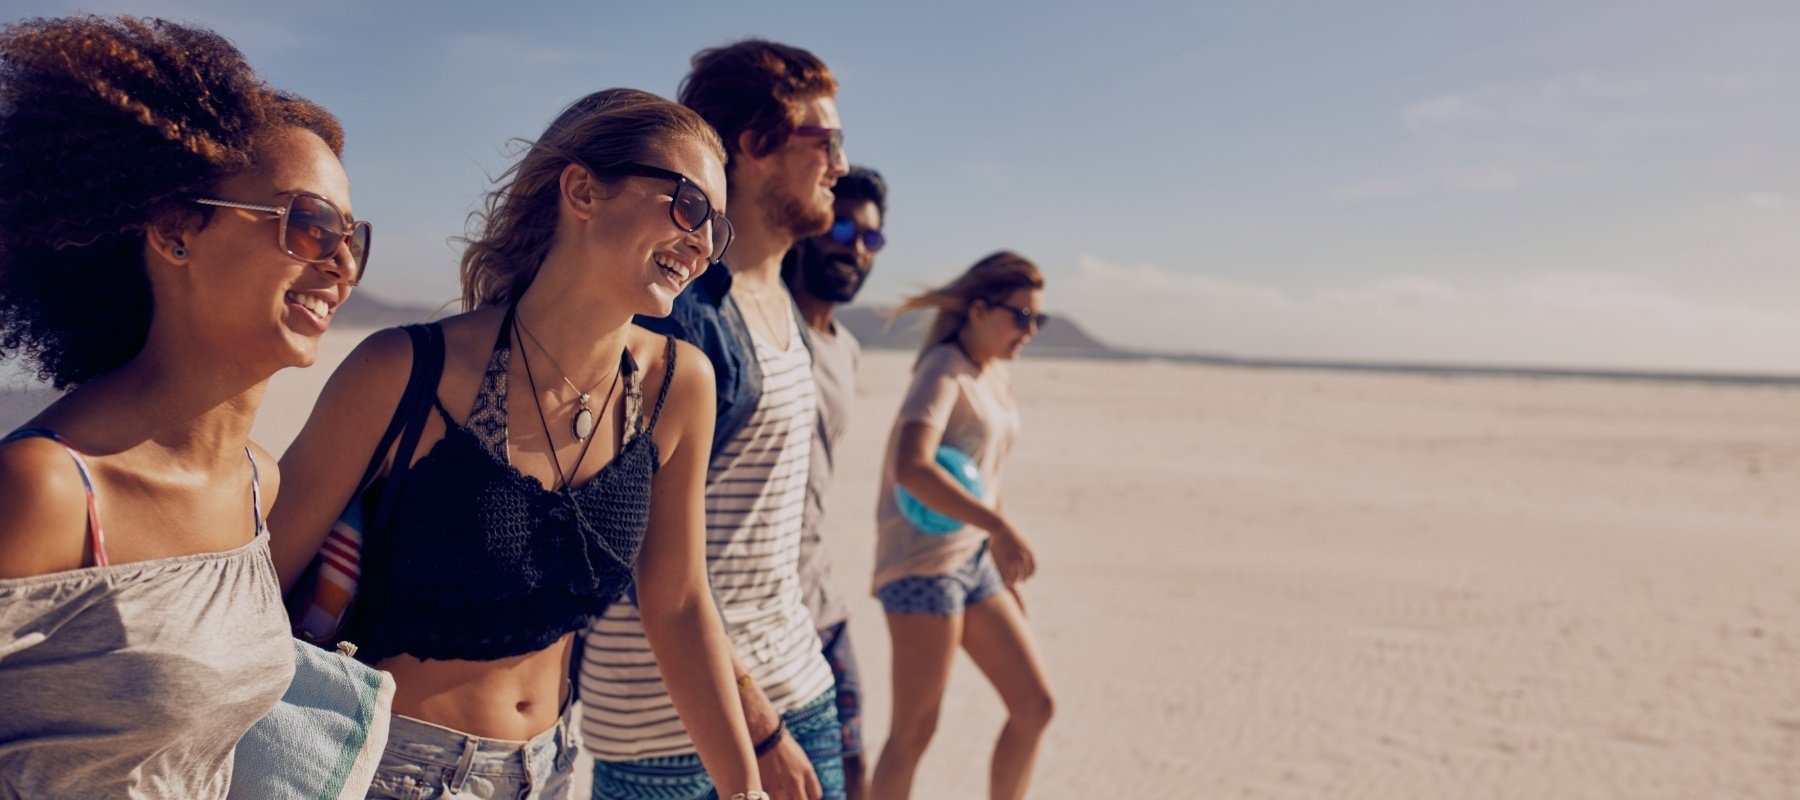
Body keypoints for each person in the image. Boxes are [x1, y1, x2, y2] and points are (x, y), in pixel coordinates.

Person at [268, 88, 762, 799]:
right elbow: (256, 592)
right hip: (385, 768)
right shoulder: (405, 371)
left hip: (551, 767)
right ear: (582, 189)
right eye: (688, 206)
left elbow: (679, 604)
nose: (703, 241)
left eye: (718, 226)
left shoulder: (680, 385)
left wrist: (743, 787)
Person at [0, 15, 364, 797]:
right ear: (174, 232)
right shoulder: (48, 490)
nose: (340, 264)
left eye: (352, 237)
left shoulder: (256, 482)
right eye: (309, 224)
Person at [584, 40, 850, 800]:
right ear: (755, 146)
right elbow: (646, 558)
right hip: (677, 730)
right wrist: (756, 729)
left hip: (796, 685)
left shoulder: (781, 304)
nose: (840, 164)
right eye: (825, 141)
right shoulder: (684, 319)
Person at [867, 252, 1056, 800]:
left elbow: (983, 473)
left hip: (972, 562)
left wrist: (997, 557)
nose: (1030, 330)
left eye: (1037, 320)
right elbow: (911, 465)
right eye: (1021, 316)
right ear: (978, 309)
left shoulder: (994, 372)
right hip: (922, 567)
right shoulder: (943, 369)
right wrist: (999, 526)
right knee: (914, 732)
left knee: (1035, 705)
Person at [782, 165, 888, 800]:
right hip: (753, 603)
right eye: (842, 226)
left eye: (870, 238)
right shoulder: (759, 329)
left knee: (850, 769)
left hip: (821, 596)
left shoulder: (847, 348)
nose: (854, 246)